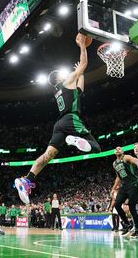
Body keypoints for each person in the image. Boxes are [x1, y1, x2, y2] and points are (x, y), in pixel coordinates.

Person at [14, 33, 101, 204]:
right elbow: (83, 64)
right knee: (96, 148)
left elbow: (80, 90)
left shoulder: (60, 90)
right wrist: (83, 46)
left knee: (48, 156)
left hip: (59, 124)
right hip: (71, 119)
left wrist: (80, 74)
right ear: (59, 78)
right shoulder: (66, 81)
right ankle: (75, 139)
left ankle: (27, 179)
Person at [110, 146, 138, 239]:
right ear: (114, 152)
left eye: (119, 148)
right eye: (116, 149)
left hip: (133, 184)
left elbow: (135, 160)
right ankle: (128, 225)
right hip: (123, 186)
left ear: (122, 151)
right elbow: (118, 177)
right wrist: (113, 188)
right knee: (117, 205)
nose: (117, 149)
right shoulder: (114, 163)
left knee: (132, 207)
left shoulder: (126, 157)